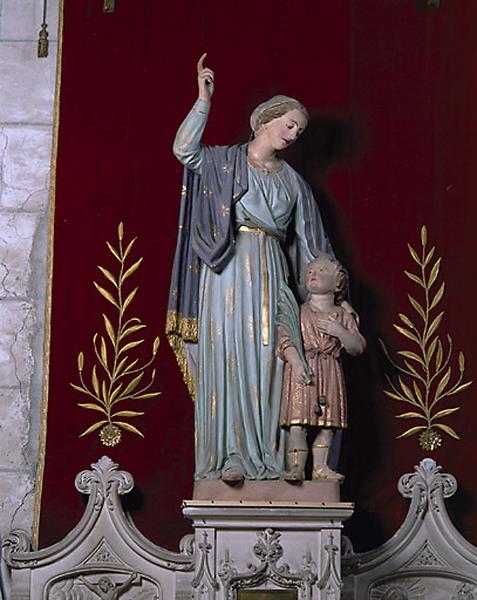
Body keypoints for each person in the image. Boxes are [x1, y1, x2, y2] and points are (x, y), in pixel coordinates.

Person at [166, 54, 334, 482]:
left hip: (271, 269)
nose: (293, 134)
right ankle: (229, 458)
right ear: (266, 120)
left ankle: (275, 462)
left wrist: (327, 307)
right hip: (225, 269)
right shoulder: (225, 163)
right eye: (289, 124)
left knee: (270, 357)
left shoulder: (293, 181)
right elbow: (184, 150)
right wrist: (203, 101)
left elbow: (313, 247)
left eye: (299, 130)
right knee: (227, 355)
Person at [277, 255, 366, 481]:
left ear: (337, 283)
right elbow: (285, 339)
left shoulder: (343, 316)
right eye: (309, 271)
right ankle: (296, 467)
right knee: (298, 423)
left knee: (328, 426)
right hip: (303, 370)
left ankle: (320, 468)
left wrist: (340, 332)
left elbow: (357, 347)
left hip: (330, 369)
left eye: (321, 271)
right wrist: (296, 363)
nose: (313, 274)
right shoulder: (297, 311)